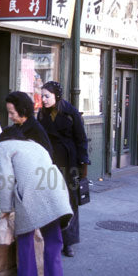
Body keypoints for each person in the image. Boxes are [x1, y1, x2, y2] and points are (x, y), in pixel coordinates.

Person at [0, 129, 73, 276]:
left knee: (25, 242)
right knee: (54, 244)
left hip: (30, 195)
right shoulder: (35, 144)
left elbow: (6, 180)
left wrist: (5, 209)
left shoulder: (1, 147)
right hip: (55, 190)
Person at [37, 81, 90, 258]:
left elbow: (81, 138)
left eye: (47, 96)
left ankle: (68, 241)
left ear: (56, 96)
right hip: (49, 161)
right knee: (50, 198)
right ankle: (52, 237)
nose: (43, 99)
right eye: (42, 95)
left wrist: (83, 163)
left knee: (70, 200)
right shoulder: (41, 114)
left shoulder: (70, 113)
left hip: (69, 162)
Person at [3, 91, 52, 155]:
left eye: (12, 113)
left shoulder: (36, 130)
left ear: (23, 110)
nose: (9, 116)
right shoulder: (15, 127)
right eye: (8, 113)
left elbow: (47, 155)